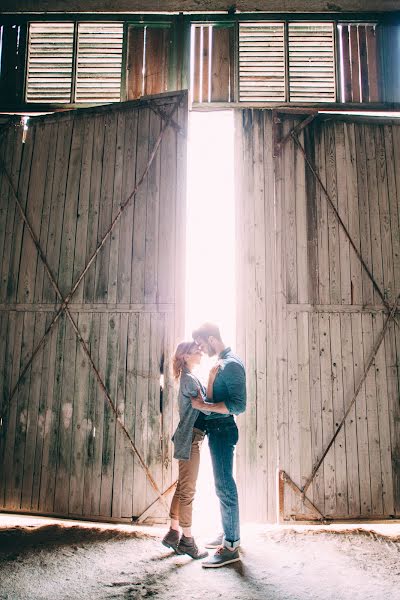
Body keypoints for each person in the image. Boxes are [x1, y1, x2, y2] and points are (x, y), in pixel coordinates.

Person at [191, 322, 246, 568]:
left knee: (225, 486)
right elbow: (217, 398)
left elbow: (238, 405)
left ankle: (231, 546)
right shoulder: (221, 363)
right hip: (217, 430)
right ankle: (228, 532)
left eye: (202, 344)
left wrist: (204, 407)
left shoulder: (231, 364)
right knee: (221, 485)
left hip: (224, 430)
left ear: (213, 339)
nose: (201, 349)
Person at [161, 341, 209, 559]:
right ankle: (187, 541)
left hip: (188, 437)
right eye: (195, 350)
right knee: (188, 490)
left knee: (183, 487)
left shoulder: (189, 377)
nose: (200, 352)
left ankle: (173, 532)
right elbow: (205, 406)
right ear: (185, 356)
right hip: (190, 438)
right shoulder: (190, 380)